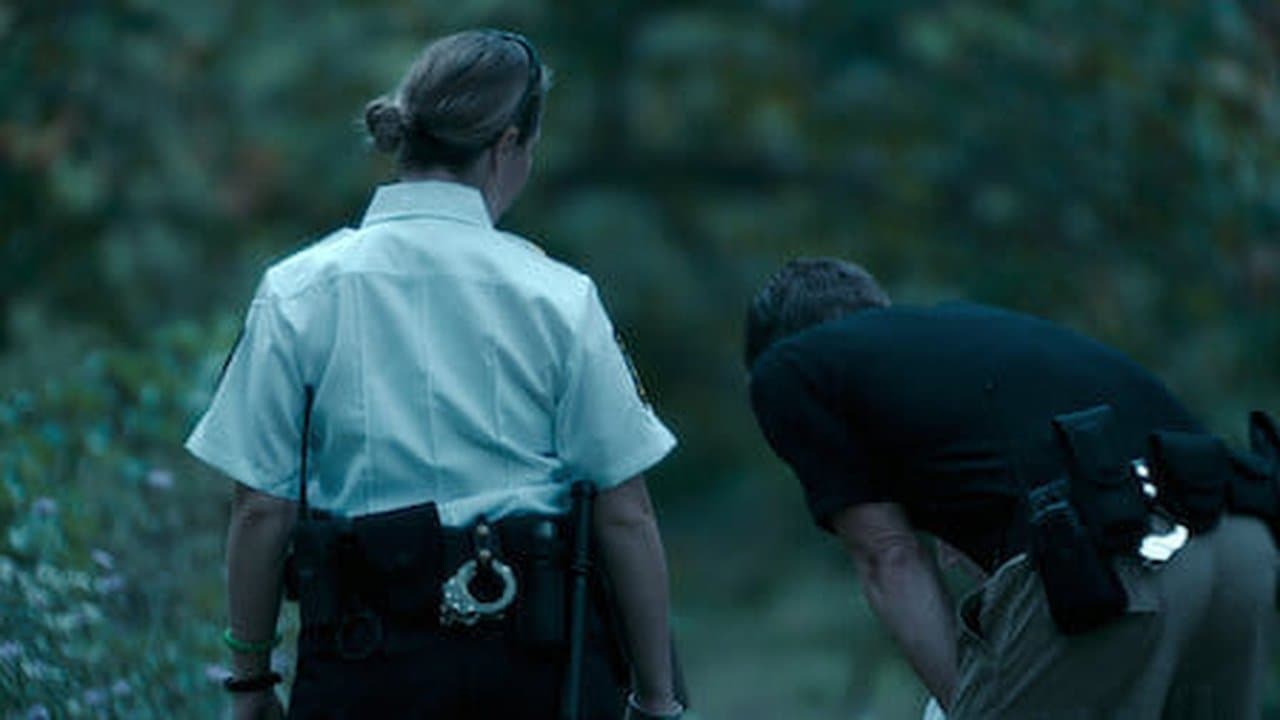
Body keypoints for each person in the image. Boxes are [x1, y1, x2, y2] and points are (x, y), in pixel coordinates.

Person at [185, 29, 685, 720]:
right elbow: (625, 513)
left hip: (361, 662)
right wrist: (657, 698)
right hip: (534, 667)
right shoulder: (558, 297)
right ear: (507, 145)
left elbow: (261, 508)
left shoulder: (297, 290)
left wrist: (250, 682)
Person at [744, 257, 1279, 718]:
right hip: (1239, 543)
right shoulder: (964, 337)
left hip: (1123, 559)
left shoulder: (789, 369)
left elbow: (888, 558)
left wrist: (970, 707)